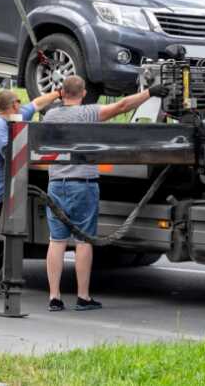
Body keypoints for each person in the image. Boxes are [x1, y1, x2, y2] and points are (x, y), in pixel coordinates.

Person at [44, 75, 168, 312]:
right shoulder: (88, 113)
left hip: (56, 183)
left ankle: (54, 297)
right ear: (83, 93)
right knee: (83, 242)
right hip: (83, 183)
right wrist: (150, 92)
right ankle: (83, 297)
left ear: (62, 93)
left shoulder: (51, 115)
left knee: (56, 241)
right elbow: (122, 106)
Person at [0, 88, 63, 302]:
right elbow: (10, 153)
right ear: (13, 104)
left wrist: (58, 94)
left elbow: (37, 104)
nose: (22, 105)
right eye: (19, 101)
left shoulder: (14, 117)